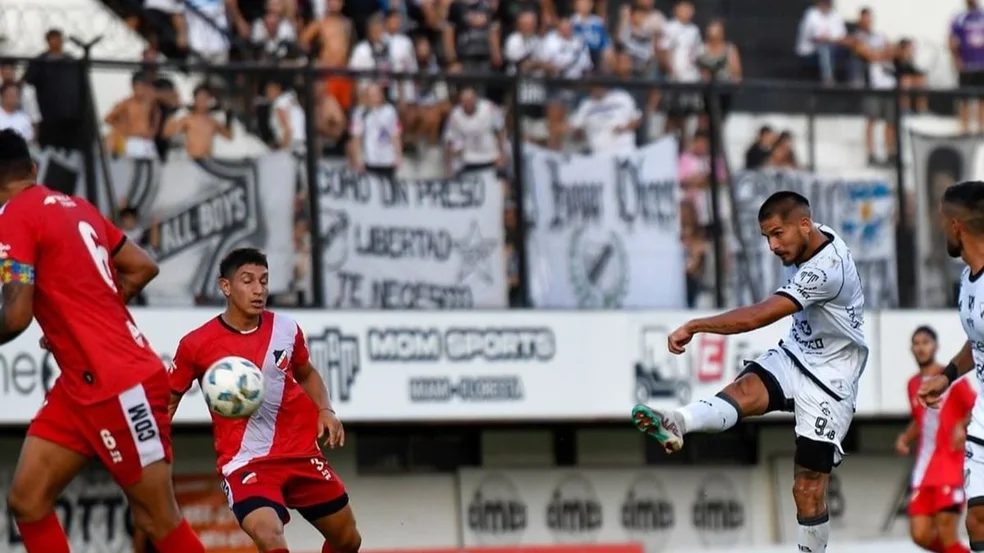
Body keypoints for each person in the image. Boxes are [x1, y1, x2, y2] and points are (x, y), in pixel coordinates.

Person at [0, 129, 205, 553]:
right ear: (33, 170)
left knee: (156, 517)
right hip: (81, 385)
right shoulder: (77, 207)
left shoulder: (14, 217)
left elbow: (16, 313)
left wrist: (88, 321)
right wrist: (91, 315)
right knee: (28, 499)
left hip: (121, 385)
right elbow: (142, 266)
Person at [632, 191, 867, 553]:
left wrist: (696, 325)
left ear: (804, 226)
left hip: (831, 381)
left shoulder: (827, 269)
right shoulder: (812, 234)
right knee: (742, 391)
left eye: (777, 234)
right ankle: (678, 420)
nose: (772, 246)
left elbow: (758, 316)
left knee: (806, 488)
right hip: (797, 354)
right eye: (766, 237)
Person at [165, 248, 363, 553]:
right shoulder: (196, 344)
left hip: (300, 452)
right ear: (226, 287)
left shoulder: (286, 329)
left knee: (348, 540)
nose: (259, 289)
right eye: (248, 281)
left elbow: (307, 373)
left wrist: (325, 410)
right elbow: (168, 402)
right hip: (247, 462)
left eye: (264, 281)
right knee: (270, 537)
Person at [919, 180, 984, 553]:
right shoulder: (967, 279)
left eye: (943, 220)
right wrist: (945, 377)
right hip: (981, 418)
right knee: (976, 518)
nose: (941, 228)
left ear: (956, 226)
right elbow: (977, 341)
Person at [897, 325, 973, 553]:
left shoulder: (952, 379)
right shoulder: (912, 384)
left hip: (950, 466)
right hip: (924, 470)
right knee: (919, 534)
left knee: (946, 533)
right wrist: (905, 437)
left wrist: (961, 425)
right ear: (912, 349)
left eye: (926, 342)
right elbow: (922, 419)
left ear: (936, 346)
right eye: (917, 343)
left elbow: (975, 408)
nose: (921, 348)